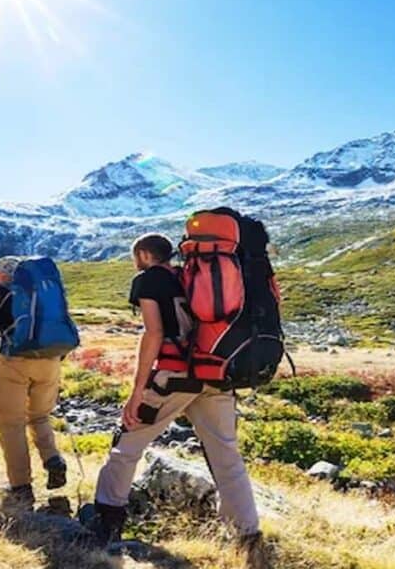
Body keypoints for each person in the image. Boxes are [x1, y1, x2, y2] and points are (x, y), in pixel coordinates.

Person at [85, 234, 267, 566]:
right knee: (226, 455)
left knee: (126, 444)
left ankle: (106, 523)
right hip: (214, 374)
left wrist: (137, 390)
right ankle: (248, 537)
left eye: (134, 256)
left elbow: (153, 332)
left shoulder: (149, 279)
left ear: (143, 254)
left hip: (172, 377)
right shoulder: (192, 276)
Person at [0, 256, 67, 507]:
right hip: (50, 361)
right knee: (39, 416)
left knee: (11, 423)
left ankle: (21, 487)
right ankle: (53, 460)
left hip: (15, 362)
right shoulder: (44, 291)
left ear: (4, 275)